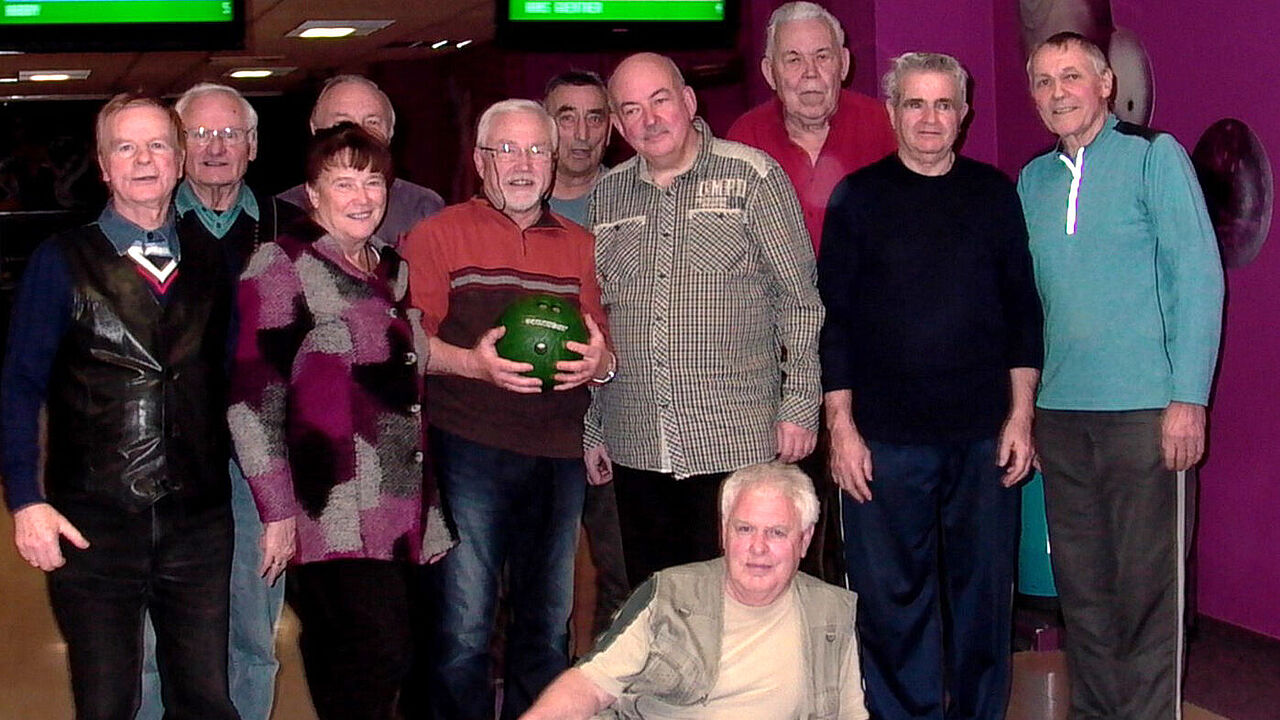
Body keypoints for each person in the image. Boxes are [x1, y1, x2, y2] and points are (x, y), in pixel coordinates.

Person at [0, 93, 239, 720]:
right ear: (103, 166)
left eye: (158, 144)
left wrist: (274, 500)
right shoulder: (61, 261)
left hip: (199, 524)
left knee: (207, 698)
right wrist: (26, 500)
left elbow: (242, 386)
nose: (143, 160)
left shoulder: (214, 263)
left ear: (181, 158)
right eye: (125, 147)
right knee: (106, 702)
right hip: (93, 523)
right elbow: (20, 383)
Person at [820, 52, 1043, 720]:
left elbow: (1023, 313)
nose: (929, 118)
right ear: (892, 112)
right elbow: (833, 324)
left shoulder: (993, 194)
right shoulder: (857, 197)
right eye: (915, 104)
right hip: (885, 442)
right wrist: (843, 430)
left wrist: (1021, 417)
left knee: (982, 602)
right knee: (893, 608)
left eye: (943, 104)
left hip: (982, 439)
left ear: (963, 114)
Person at [1017, 32, 1224, 720]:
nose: (1057, 93)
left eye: (1071, 76)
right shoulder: (1031, 181)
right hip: (1063, 417)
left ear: (1105, 85)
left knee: (1146, 592)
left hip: (1146, 415)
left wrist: (1188, 398)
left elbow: (1197, 278)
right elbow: (1028, 304)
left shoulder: (1153, 158)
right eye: (1043, 81)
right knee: (1085, 593)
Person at [228, 123, 453, 720]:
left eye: (372, 181)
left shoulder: (392, 270)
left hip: (401, 512)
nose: (361, 197)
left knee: (359, 665)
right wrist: (275, 511)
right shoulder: (281, 266)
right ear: (312, 193)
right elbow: (253, 401)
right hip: (330, 514)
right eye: (343, 183)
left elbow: (406, 376)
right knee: (377, 658)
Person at [402, 98, 611, 720]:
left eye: (536, 151)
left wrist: (600, 363)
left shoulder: (579, 243)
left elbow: (603, 340)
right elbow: (411, 341)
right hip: (470, 447)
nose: (523, 164)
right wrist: (475, 363)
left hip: (557, 453)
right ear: (480, 161)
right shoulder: (437, 234)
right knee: (464, 630)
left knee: (547, 630)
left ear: (552, 164)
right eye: (507, 150)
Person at [587, 52, 823, 589]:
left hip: (736, 442)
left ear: (688, 102)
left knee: (744, 608)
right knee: (661, 609)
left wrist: (801, 407)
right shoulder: (608, 197)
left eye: (660, 101)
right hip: (637, 443)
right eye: (631, 110)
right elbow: (599, 318)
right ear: (620, 126)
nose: (649, 119)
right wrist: (594, 425)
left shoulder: (754, 177)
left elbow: (800, 302)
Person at [134, 81, 304, 720]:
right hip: (164, 464)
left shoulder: (291, 231)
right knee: (152, 636)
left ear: (253, 146)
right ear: (179, 147)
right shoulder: (146, 227)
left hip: (257, 469)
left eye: (230, 133)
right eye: (199, 134)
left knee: (251, 635)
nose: (215, 147)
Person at [519, 462, 868, 720]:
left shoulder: (831, 612)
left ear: (804, 540)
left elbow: (852, 713)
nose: (757, 548)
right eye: (744, 529)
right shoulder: (671, 593)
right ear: (723, 533)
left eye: (776, 533)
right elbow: (589, 685)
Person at [541, 68, 630, 637]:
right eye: (565, 116)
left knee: (622, 574)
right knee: (536, 582)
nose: (580, 132)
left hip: (621, 413)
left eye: (594, 116)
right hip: (532, 422)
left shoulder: (635, 199)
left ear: (611, 127)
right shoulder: (514, 201)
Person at [727, 1, 895, 252]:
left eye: (822, 57)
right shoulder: (745, 138)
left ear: (844, 64)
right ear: (770, 73)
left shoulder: (886, 126)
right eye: (794, 60)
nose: (811, 73)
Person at [278, 74, 444, 246]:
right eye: (342, 123)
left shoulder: (423, 207)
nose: (358, 134)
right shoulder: (280, 214)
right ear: (315, 129)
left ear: (390, 132)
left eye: (372, 122)